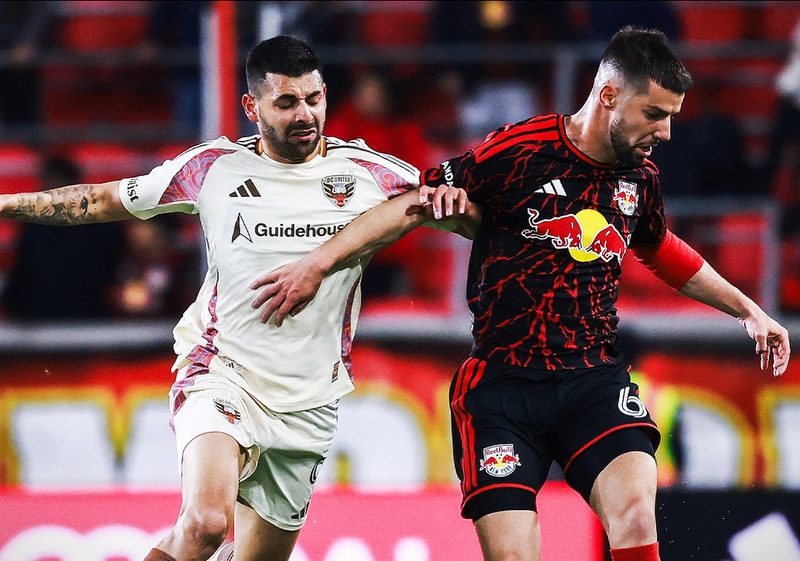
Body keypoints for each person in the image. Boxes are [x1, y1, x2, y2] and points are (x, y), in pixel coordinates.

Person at [251, 27, 791, 561]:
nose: (667, 131)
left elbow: (659, 247)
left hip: (593, 380)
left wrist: (748, 310)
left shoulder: (640, 177)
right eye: (655, 114)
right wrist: (317, 265)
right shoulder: (520, 150)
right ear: (608, 97)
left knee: (635, 513)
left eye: (672, 115)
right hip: (502, 392)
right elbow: (419, 200)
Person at [0, 35, 477, 561]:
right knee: (205, 524)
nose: (306, 115)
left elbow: (467, 217)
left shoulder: (373, 175)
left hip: (309, 401)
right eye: (287, 102)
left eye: (314, 99)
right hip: (222, 371)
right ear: (252, 108)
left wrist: (460, 205)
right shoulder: (212, 168)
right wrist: (6, 203)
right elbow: (104, 199)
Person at [1, 155, 125, 319]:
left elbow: (113, 270)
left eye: (57, 185)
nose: (51, 191)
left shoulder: (103, 225)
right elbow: (24, 272)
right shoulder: (34, 227)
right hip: (41, 318)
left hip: (91, 318)